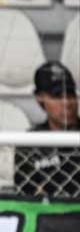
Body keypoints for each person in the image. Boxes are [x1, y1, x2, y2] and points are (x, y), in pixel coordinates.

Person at [16, 60, 80, 197]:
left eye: (71, 95)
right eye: (57, 96)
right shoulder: (30, 143)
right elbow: (26, 195)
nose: (67, 103)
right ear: (39, 98)